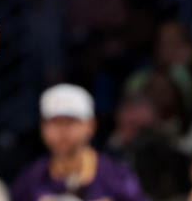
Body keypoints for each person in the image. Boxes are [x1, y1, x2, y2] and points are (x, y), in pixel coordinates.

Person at [11, 84, 147, 201]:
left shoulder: (118, 177)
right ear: (43, 128)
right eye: (55, 122)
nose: (62, 131)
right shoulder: (30, 180)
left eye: (71, 122)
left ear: (91, 125)